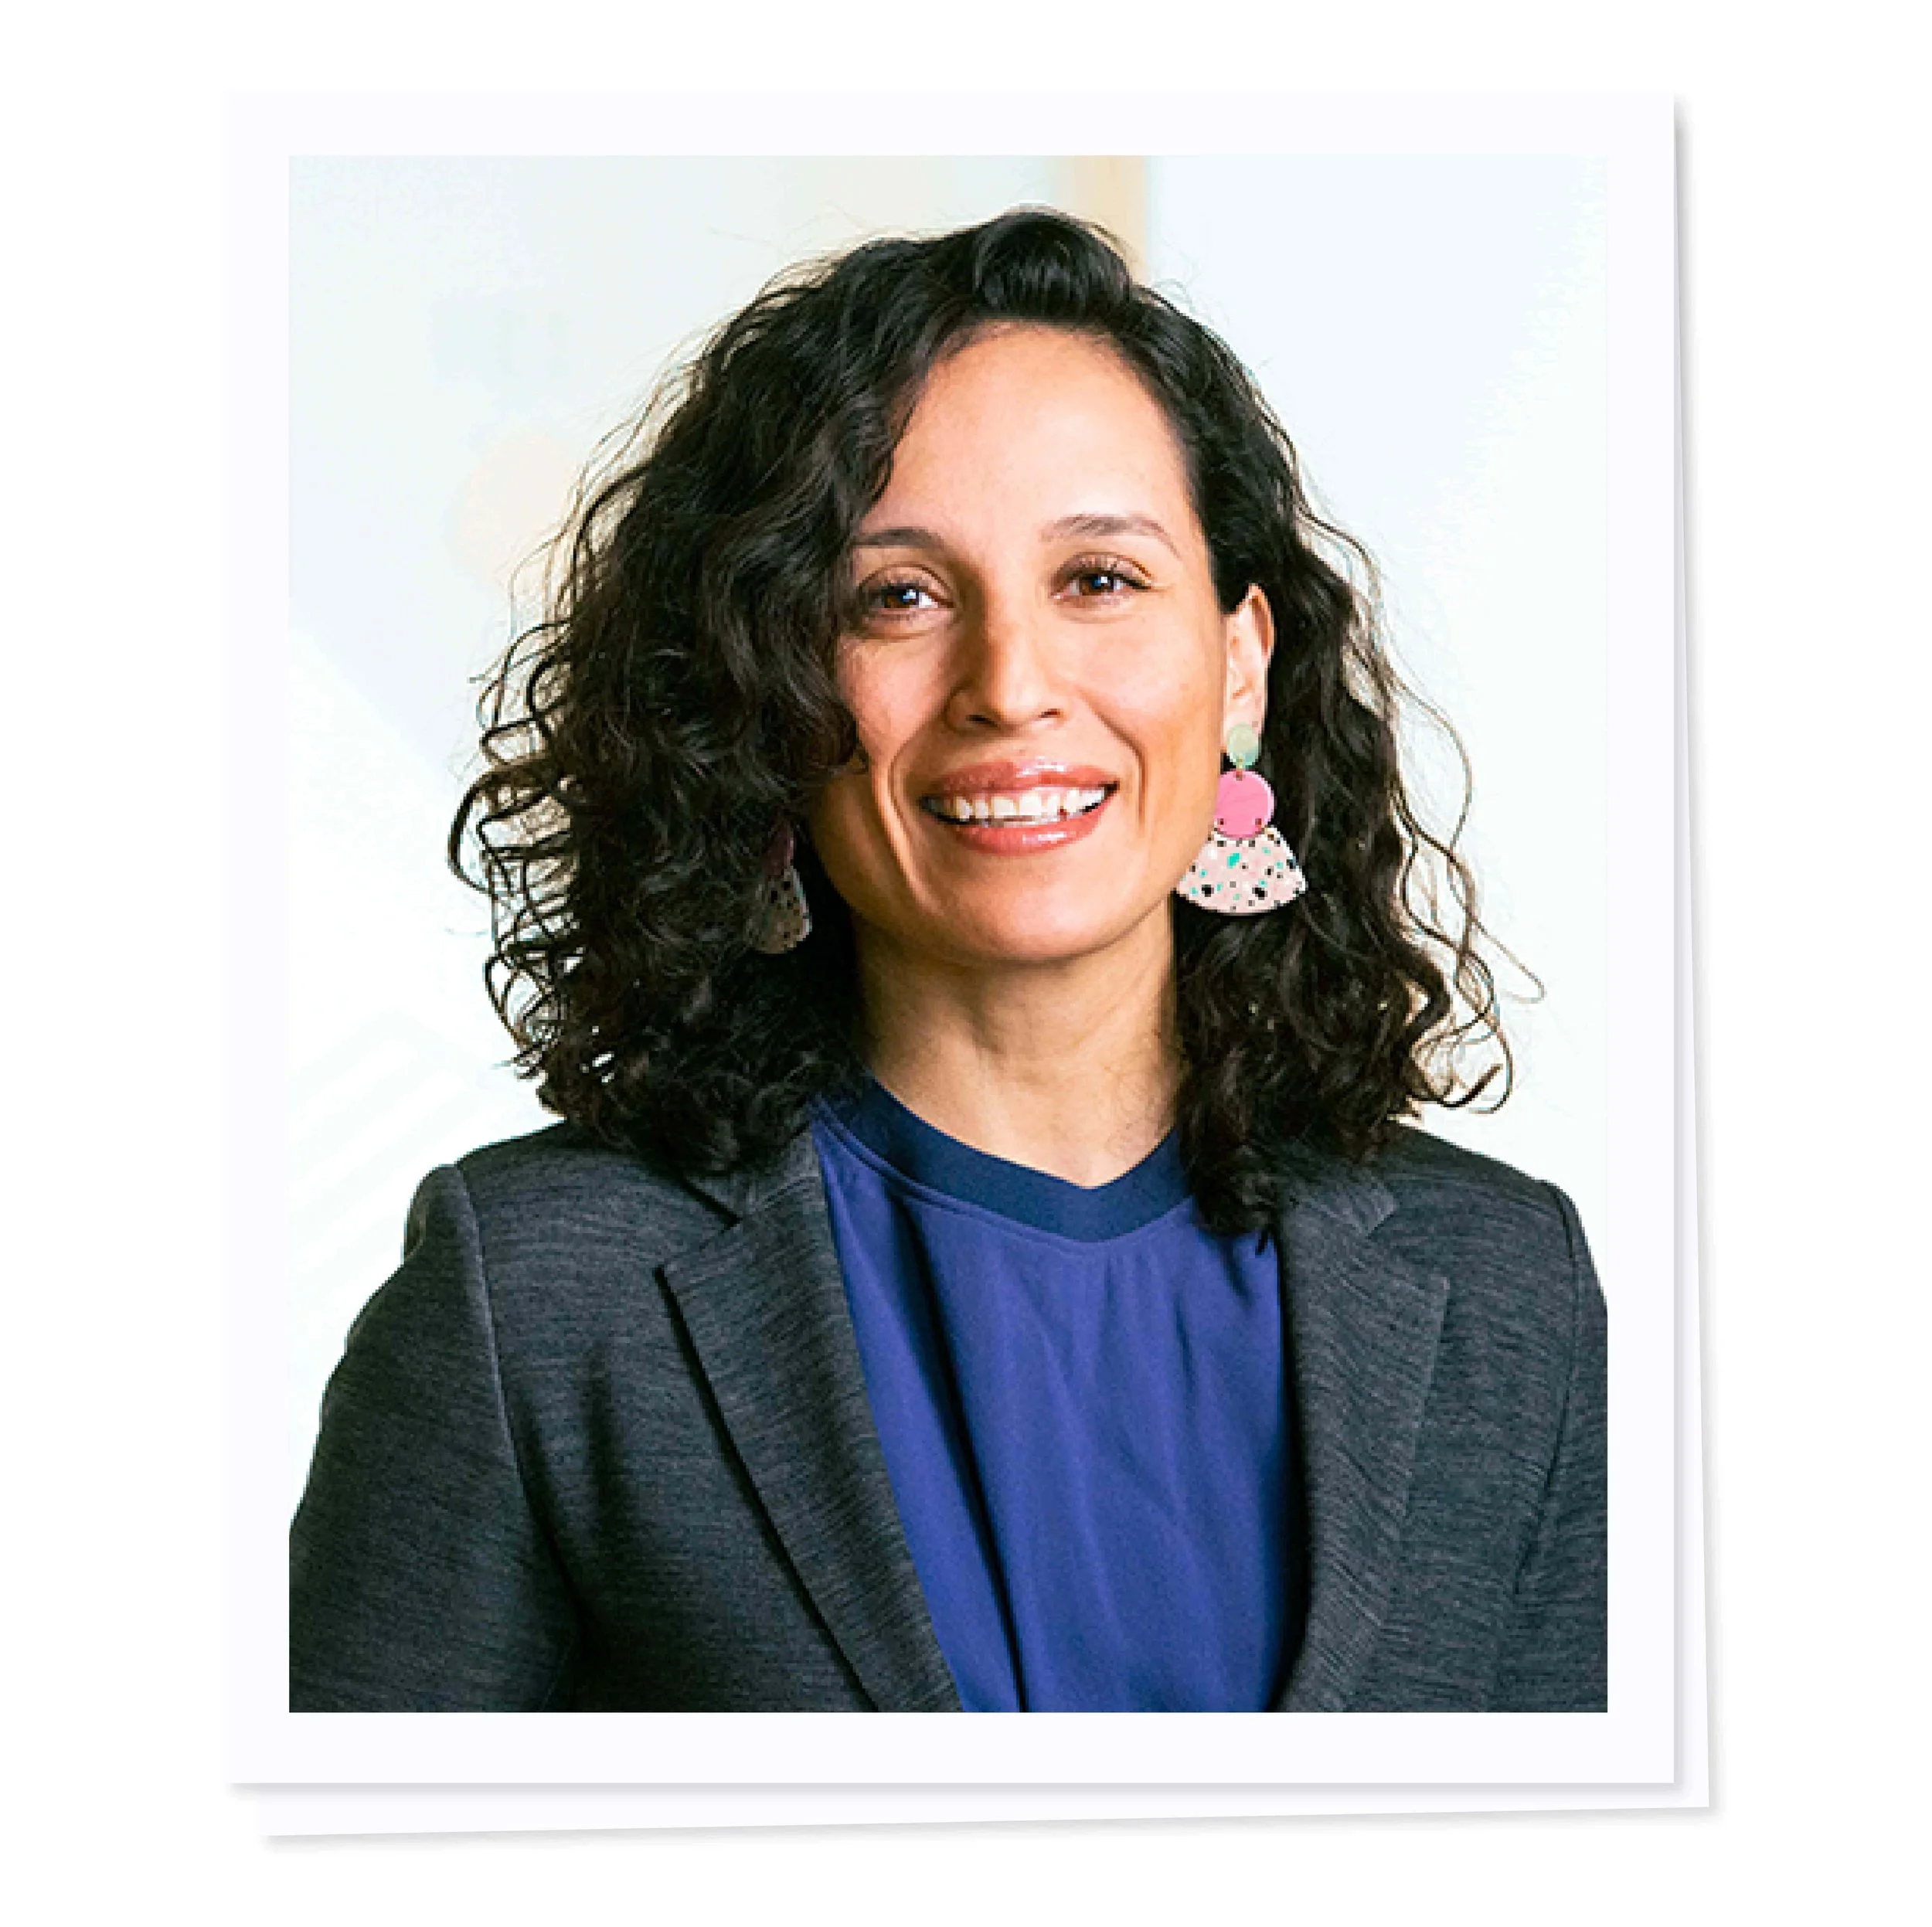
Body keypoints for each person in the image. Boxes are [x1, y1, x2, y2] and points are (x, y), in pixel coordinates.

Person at [290, 209, 1606, 1713]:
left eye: (1098, 578)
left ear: (1239, 658)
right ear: (767, 681)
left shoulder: (1509, 1292)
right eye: (895, 594)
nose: (1009, 685)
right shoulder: (527, 1296)